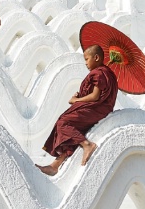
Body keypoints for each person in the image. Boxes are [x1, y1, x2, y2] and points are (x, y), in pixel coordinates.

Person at [37, 44, 118, 176]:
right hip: (99, 108)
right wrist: (79, 96)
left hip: (96, 109)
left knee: (63, 123)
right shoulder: (105, 72)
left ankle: (87, 145)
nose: (85, 63)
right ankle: (55, 166)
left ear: (96, 57)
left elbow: (95, 96)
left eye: (86, 59)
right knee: (73, 134)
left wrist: (75, 100)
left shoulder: (100, 73)